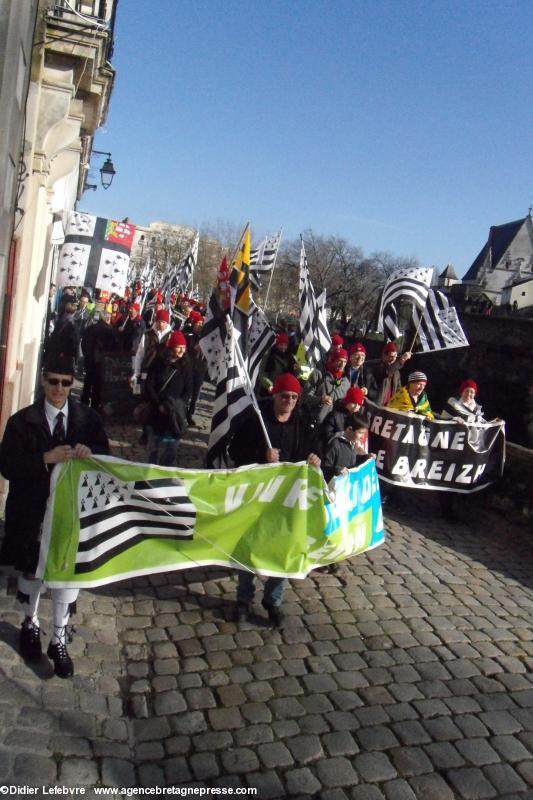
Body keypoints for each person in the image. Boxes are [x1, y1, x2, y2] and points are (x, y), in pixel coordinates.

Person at [0, 352, 109, 678]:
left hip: (70, 514)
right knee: (32, 571)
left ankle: (59, 637)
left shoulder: (87, 420)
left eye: (65, 382)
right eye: (53, 382)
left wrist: (92, 454)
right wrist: (44, 457)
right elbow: (6, 466)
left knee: (66, 574)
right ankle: (29, 623)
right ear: (43, 381)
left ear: (72, 383)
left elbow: (106, 458)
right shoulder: (22, 421)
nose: (59, 389)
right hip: (32, 511)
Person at [228, 373, 321, 626]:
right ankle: (243, 599)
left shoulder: (303, 423)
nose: (289, 401)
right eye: (284, 396)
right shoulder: (255, 420)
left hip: (288, 501)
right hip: (256, 497)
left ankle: (273, 601)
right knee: (248, 548)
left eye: (293, 397)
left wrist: (314, 458)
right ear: (275, 395)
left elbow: (314, 449)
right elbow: (234, 452)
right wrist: (261, 454)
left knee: (285, 550)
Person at [144, 331, 192, 466]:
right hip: (157, 412)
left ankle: (165, 470)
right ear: (171, 347)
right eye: (179, 346)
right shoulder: (158, 362)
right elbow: (149, 386)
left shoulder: (186, 365)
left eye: (184, 346)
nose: (182, 349)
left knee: (171, 449)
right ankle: (151, 471)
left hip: (174, 414)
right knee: (153, 447)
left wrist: (178, 405)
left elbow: (188, 390)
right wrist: (158, 404)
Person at [81, 305, 119, 411]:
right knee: (97, 386)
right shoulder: (110, 332)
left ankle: (84, 404)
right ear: (107, 318)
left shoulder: (90, 329)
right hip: (102, 364)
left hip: (90, 362)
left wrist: (87, 355)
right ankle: (94, 407)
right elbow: (114, 349)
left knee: (88, 383)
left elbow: (83, 343)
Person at [303, 348, 350, 426]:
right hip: (314, 423)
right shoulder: (318, 374)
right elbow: (304, 397)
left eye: (345, 362)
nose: (342, 365)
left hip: (332, 427)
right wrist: (320, 400)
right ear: (332, 360)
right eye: (339, 361)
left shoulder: (346, 382)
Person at [320, 386, 366, 454]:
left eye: (359, 404)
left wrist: (363, 454)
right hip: (333, 453)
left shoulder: (358, 419)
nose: (356, 406)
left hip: (348, 454)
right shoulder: (334, 416)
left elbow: (359, 442)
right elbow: (326, 437)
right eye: (354, 403)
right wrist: (344, 435)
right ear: (347, 401)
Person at [185, 312, 207, 426]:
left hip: (200, 369)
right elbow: (185, 351)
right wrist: (194, 349)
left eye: (201, 323)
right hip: (189, 368)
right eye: (197, 323)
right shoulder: (188, 335)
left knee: (195, 394)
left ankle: (190, 414)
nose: (199, 325)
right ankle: (183, 412)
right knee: (187, 392)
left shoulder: (205, 338)